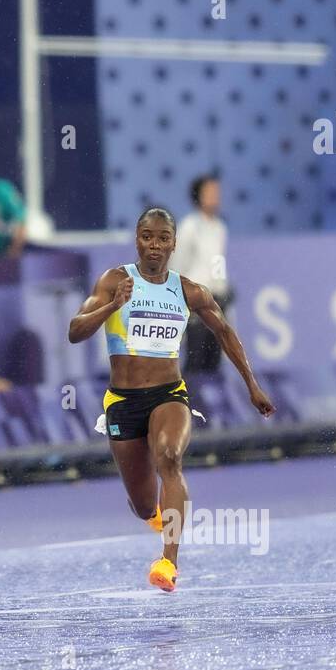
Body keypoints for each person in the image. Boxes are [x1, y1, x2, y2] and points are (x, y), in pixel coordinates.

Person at [68, 208, 275, 592]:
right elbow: (75, 331)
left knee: (169, 456)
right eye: (147, 236)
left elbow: (226, 333)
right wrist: (112, 306)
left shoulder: (189, 290)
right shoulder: (114, 280)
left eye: (163, 238)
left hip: (169, 394)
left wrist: (252, 384)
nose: (155, 245)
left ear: (174, 243)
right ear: (136, 240)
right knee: (145, 505)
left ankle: (168, 562)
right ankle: (156, 512)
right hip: (123, 401)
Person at [171, 174, 231, 375]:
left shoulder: (219, 228)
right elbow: (178, 265)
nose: (215, 197)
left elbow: (217, 260)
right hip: (195, 302)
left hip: (215, 301)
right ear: (198, 196)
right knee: (195, 355)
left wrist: (222, 287)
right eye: (210, 193)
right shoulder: (188, 227)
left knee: (214, 357)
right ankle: (189, 402)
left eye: (217, 193)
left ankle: (210, 403)